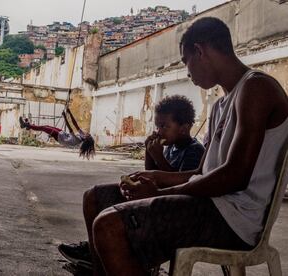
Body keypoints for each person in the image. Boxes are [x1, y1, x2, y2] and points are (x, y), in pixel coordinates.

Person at [65, 17, 288, 276]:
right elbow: (200, 174)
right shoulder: (220, 105)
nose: (187, 71)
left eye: (185, 61)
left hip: (234, 220)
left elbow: (234, 177)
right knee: (95, 198)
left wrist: (156, 194)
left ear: (200, 50)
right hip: (208, 205)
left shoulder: (256, 87)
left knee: (109, 226)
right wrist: (155, 177)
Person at [59, 95, 205, 273]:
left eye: (165, 126)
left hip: (171, 210)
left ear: (184, 128)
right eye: (157, 126)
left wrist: (158, 157)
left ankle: (111, 260)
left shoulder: (194, 150)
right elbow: (151, 174)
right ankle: (94, 253)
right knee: (92, 196)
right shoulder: (171, 146)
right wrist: (149, 153)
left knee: (113, 221)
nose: (159, 131)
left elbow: (180, 185)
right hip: (155, 198)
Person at [19, 108, 95, 159]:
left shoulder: (78, 140)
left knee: (44, 128)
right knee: (46, 126)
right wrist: (70, 113)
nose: (88, 133)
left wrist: (65, 116)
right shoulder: (82, 135)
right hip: (63, 134)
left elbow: (70, 128)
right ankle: (29, 126)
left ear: (86, 139)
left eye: (89, 135)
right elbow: (75, 124)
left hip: (60, 138)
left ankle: (25, 125)